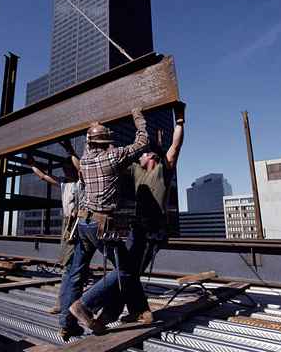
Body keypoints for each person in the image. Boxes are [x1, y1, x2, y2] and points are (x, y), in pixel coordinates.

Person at [58, 108, 148, 340]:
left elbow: (90, 144)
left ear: (90, 142)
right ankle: (84, 305)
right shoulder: (113, 156)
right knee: (127, 270)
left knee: (76, 273)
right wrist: (137, 116)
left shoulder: (86, 159)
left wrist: (93, 129)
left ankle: (66, 324)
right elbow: (143, 141)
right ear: (107, 142)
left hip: (83, 224)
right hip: (100, 226)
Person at [98, 101, 186, 325]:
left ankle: (119, 312)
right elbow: (113, 155)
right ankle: (131, 312)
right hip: (137, 229)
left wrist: (180, 120)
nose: (143, 154)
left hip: (152, 231)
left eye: (144, 153)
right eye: (142, 154)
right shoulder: (135, 170)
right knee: (128, 272)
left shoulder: (163, 170)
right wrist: (100, 132)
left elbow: (175, 146)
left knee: (130, 272)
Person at [26, 140, 84, 314]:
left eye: (68, 168)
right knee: (69, 265)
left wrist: (70, 149)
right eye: (64, 169)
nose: (66, 171)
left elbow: (80, 168)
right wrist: (32, 163)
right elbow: (43, 176)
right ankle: (64, 302)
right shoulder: (64, 183)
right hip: (68, 225)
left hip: (80, 223)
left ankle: (69, 303)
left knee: (76, 266)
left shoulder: (82, 182)